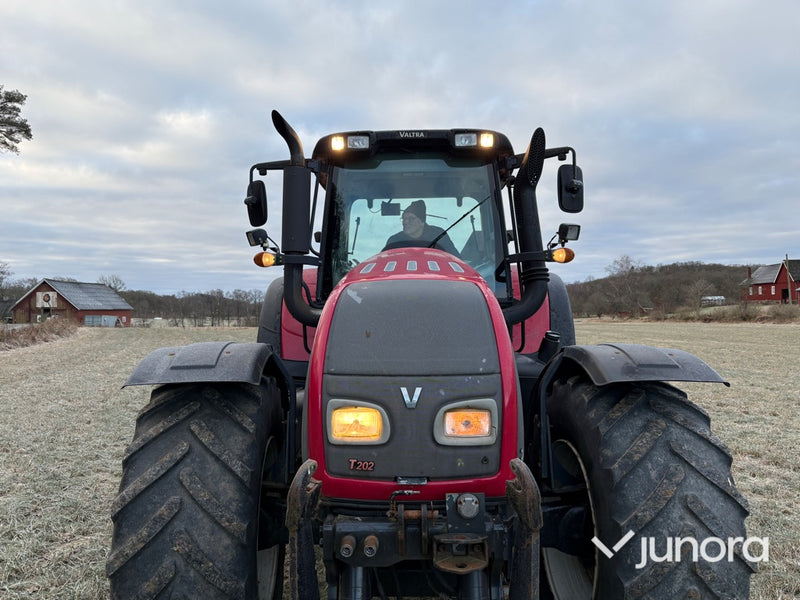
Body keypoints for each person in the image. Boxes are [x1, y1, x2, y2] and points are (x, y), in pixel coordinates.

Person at [384, 200, 459, 256]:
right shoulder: (394, 241)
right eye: (404, 218)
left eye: (411, 218)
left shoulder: (438, 236)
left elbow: (456, 259)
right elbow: (382, 262)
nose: (406, 222)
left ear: (422, 222)